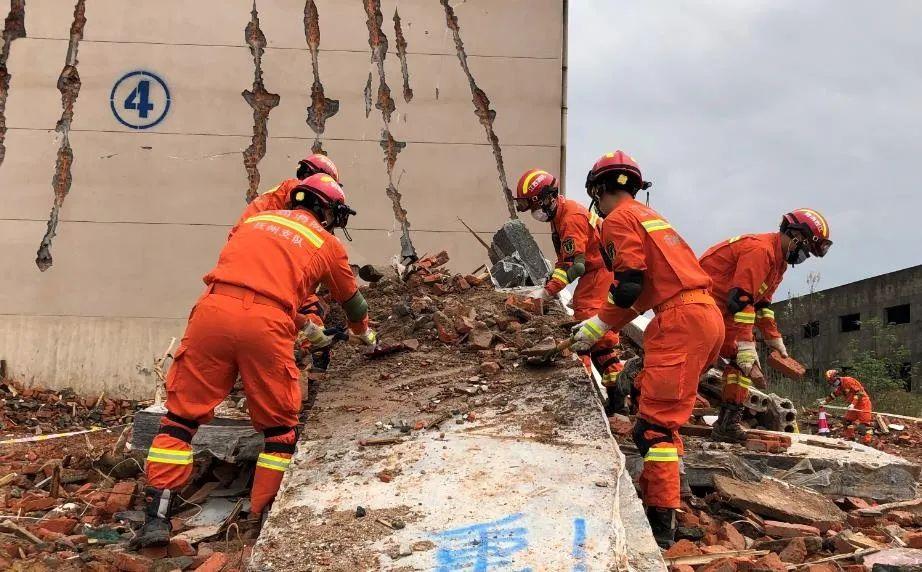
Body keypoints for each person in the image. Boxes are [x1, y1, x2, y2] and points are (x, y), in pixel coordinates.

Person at [135, 174, 376, 547]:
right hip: (265, 325)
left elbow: (250, 284)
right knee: (279, 430)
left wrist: (303, 324)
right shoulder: (325, 242)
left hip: (211, 311)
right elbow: (351, 302)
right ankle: (254, 523)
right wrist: (365, 334)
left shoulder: (253, 221)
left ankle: (156, 517)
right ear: (328, 211)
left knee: (180, 419)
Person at [570, 150, 724, 548]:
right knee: (663, 415)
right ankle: (669, 502)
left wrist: (596, 326)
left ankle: (660, 525)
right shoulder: (653, 220)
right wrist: (604, 323)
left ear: (599, 190)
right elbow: (639, 298)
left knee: (653, 428)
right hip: (704, 317)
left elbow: (628, 287)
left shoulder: (617, 220)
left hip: (679, 321)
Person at [699, 209, 833, 442]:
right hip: (704, 303)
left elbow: (762, 305)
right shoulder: (760, 250)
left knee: (742, 366)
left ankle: (728, 424)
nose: (804, 257)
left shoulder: (778, 262)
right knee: (700, 359)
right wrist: (746, 344)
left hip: (724, 309)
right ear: (794, 236)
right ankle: (646, 396)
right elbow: (741, 299)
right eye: (805, 250)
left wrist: (774, 338)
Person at [513, 168, 624, 412]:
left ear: (547, 198)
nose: (534, 213)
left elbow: (576, 266)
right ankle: (617, 398)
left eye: (533, 206)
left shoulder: (571, 217)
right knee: (596, 337)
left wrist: (548, 291)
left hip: (599, 273)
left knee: (588, 330)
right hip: (596, 273)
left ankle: (593, 395)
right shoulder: (559, 216)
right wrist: (551, 280)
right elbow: (566, 261)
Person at [229, 153, 342, 373]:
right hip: (266, 266)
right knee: (308, 307)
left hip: (245, 264)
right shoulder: (299, 197)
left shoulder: (281, 194)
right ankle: (306, 360)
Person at [821, 369, 874, 444]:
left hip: (863, 404)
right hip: (853, 406)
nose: (833, 384)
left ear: (836, 378)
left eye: (832, 381)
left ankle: (867, 442)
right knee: (847, 421)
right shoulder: (840, 387)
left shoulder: (849, 381)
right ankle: (851, 438)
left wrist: (853, 404)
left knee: (863, 426)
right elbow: (834, 394)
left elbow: (859, 393)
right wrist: (825, 401)